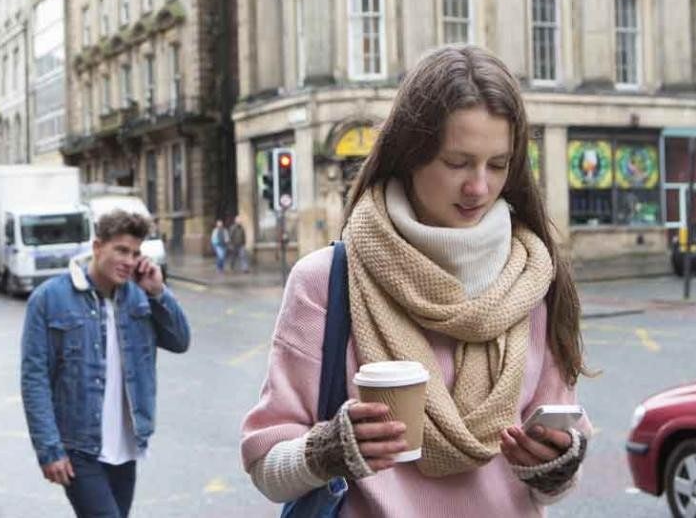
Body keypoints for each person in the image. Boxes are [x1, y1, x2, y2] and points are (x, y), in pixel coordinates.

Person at [240, 45, 592, 516]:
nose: (479, 188)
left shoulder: (533, 279)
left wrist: (555, 465)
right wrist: (328, 451)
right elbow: (266, 462)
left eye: (497, 164)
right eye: (457, 163)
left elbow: (552, 476)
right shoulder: (325, 282)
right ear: (410, 155)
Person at [22, 209, 191, 518]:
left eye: (136, 253)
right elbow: (35, 379)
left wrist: (157, 291)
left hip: (127, 445)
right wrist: (49, 449)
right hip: (79, 446)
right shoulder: (48, 299)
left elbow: (180, 341)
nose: (129, 260)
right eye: (121, 250)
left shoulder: (141, 297)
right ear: (98, 247)